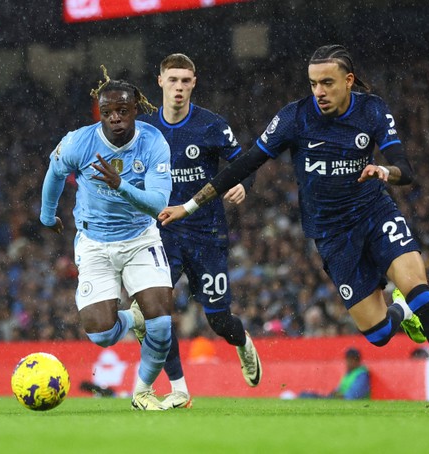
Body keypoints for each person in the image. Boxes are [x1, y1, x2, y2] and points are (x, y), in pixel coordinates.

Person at [159, 44, 429, 412]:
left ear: (348, 80)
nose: (319, 92)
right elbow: (245, 163)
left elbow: (404, 168)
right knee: (376, 334)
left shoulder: (371, 110)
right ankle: (400, 313)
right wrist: (188, 205)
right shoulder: (295, 118)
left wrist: (385, 171)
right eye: (313, 84)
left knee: (421, 291)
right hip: (331, 235)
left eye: (327, 83)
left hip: (375, 214)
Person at [40, 66, 174, 411]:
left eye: (122, 111)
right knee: (102, 334)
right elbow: (55, 173)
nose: (115, 118)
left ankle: (142, 392)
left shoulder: (152, 142)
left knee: (161, 324)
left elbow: (158, 204)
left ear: (135, 110)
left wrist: (121, 186)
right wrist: (46, 214)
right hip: (95, 243)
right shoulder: (78, 142)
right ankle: (133, 319)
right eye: (108, 112)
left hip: (139, 238)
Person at [138, 53, 261, 409]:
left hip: (207, 234)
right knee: (156, 313)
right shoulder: (144, 129)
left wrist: (244, 184)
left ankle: (242, 343)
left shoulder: (211, 125)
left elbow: (246, 163)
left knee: (219, 319)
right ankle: (179, 387)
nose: (179, 87)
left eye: (185, 81)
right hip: (161, 236)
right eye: (172, 80)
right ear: (159, 81)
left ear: (194, 83)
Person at [299, 348, 370, 399]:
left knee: (308, 397)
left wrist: (338, 395)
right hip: (339, 399)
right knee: (305, 394)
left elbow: (353, 395)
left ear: (356, 360)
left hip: (344, 401)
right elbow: (339, 389)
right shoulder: (349, 373)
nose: (347, 362)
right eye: (347, 359)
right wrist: (335, 393)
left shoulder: (362, 375)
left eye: (349, 360)